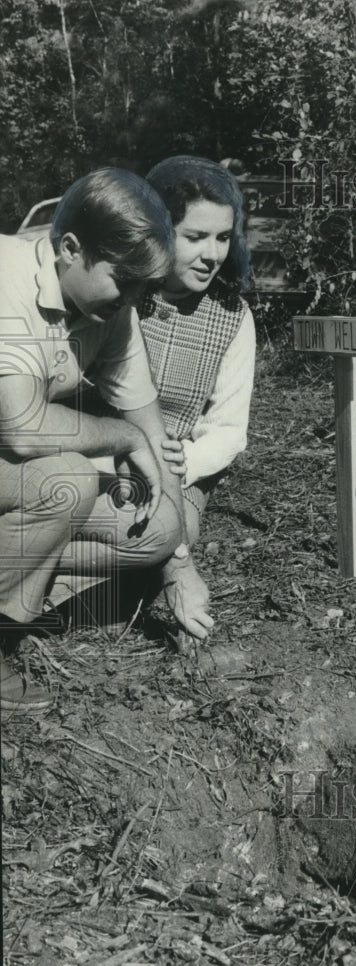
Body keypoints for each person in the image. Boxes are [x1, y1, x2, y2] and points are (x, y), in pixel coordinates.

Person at [0, 167, 212, 715]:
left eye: (145, 286)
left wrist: (181, 562)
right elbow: (21, 428)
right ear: (70, 248)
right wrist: (116, 438)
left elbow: (149, 425)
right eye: (125, 281)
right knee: (66, 479)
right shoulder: (8, 275)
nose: (134, 300)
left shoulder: (110, 308)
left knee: (161, 527)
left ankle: (22, 573)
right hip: (14, 450)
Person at [140, 155, 256, 621]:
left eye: (223, 238)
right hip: (106, 453)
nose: (212, 254)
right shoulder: (119, 293)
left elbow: (228, 428)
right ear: (159, 231)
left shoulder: (232, 317)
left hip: (182, 464)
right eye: (195, 237)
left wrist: (181, 464)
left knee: (169, 530)